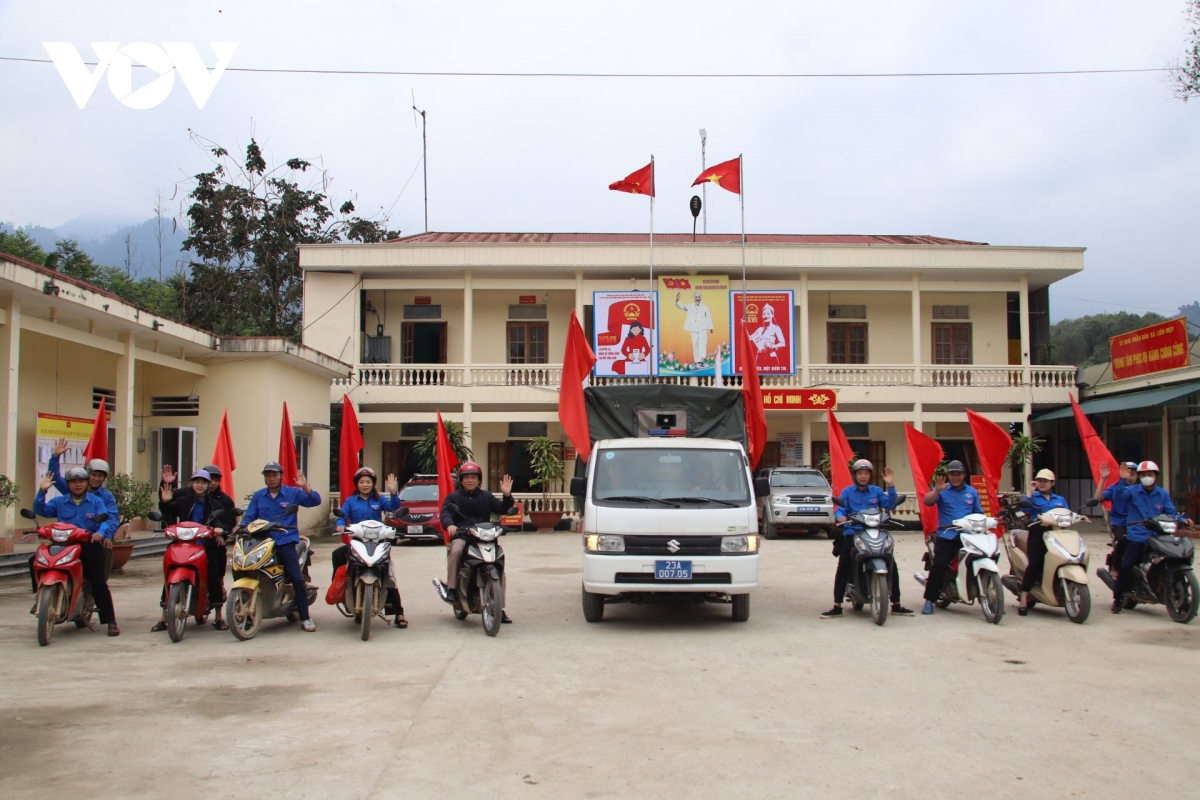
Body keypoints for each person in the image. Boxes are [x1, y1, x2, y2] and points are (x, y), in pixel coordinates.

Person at [32, 467, 121, 635]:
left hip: (87, 544)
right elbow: (41, 510)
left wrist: (100, 533)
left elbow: (105, 519)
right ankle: (41, 598)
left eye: (81, 481)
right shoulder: (59, 501)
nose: (78, 484)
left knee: (98, 581)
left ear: (87, 483)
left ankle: (110, 620)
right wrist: (42, 492)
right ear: (68, 484)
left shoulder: (96, 501)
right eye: (73, 481)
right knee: (35, 560)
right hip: (63, 544)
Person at [821, 460, 911, 618]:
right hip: (853, 532)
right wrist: (841, 517)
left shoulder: (876, 491)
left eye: (866, 473)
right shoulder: (847, 492)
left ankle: (896, 603)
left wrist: (890, 486)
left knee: (891, 562)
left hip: (874, 531)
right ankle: (837, 605)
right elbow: (840, 509)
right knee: (844, 564)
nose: (863, 476)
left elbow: (890, 505)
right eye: (860, 473)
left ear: (870, 475)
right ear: (855, 475)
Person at [241, 462, 324, 631]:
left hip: (285, 541)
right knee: (247, 570)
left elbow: (315, 501)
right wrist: (242, 529)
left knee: (296, 577)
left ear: (281, 476)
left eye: (274, 475)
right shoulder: (259, 496)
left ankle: (305, 617)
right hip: (263, 542)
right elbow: (249, 518)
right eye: (268, 475)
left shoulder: (292, 493)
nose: (271, 479)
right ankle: (248, 614)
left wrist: (305, 487)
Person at [433, 461, 516, 623]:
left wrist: (507, 495)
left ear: (479, 480)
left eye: (474, 477)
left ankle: (499, 608)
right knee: (456, 550)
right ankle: (451, 588)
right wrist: (450, 524)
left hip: (485, 537)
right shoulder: (453, 497)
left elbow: (504, 509)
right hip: (463, 535)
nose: (470, 480)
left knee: (499, 563)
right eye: (467, 478)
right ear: (461, 480)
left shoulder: (486, 496)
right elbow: (446, 513)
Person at [152, 469, 234, 632]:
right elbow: (168, 511)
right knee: (169, 573)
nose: (200, 485)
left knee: (213, 576)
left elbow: (221, 520)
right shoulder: (184, 500)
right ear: (192, 483)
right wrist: (165, 502)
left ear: (208, 484)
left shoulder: (215, 504)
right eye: (197, 482)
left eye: (203, 482)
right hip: (183, 544)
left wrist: (220, 529)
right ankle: (164, 616)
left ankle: (218, 616)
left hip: (205, 545)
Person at [1108, 461, 1193, 613]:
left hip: (1159, 536)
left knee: (1174, 557)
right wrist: (1121, 480)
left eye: (1150, 474)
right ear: (1139, 476)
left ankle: (1182, 598)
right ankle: (1118, 598)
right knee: (1126, 565)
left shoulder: (1162, 493)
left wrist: (1182, 520)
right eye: (1144, 475)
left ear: (1155, 476)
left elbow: (1170, 513)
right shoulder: (1131, 491)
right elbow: (1119, 498)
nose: (1147, 477)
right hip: (1138, 536)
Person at [333, 467, 408, 628]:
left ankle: (399, 612)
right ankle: (339, 589)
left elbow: (393, 508)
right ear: (356, 484)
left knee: (388, 574)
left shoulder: (379, 499)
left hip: (378, 542)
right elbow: (342, 516)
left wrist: (393, 493)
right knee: (337, 555)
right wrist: (340, 525)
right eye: (361, 482)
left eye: (368, 482)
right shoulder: (350, 501)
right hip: (358, 541)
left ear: (373, 483)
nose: (365, 485)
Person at [920, 460, 984, 615]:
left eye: (958, 474)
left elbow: (979, 513)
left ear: (964, 475)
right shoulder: (943, 490)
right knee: (939, 565)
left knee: (983, 556)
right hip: (947, 535)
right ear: (948, 475)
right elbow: (927, 501)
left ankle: (987, 597)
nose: (955, 477)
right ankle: (930, 599)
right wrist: (937, 490)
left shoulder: (972, 492)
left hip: (968, 535)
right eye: (952, 474)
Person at [1018, 468, 1070, 615]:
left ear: (1052, 483)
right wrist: (1029, 492)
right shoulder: (1033, 497)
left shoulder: (1059, 500)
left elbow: (1067, 513)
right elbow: (1022, 508)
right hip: (1037, 535)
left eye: (1045, 481)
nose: (1042, 483)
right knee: (1034, 564)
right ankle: (1024, 597)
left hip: (1057, 535)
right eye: (1039, 480)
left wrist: (1079, 517)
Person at [47, 439, 119, 526]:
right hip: (68, 535)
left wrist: (106, 536)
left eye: (100, 476)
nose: (97, 478)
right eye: (94, 475)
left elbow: (112, 518)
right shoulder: (73, 489)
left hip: (93, 536)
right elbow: (54, 477)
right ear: (87, 475)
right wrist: (55, 457)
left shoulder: (107, 497)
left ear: (104, 478)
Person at [1097, 461, 1138, 581]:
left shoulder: (1141, 490)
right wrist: (1103, 479)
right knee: (1123, 539)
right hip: (1120, 523)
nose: (1129, 477)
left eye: (1133, 474)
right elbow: (1099, 498)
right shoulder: (1115, 488)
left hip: (1139, 522)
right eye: (1127, 473)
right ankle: (1115, 566)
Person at [675, 290, 714, 365]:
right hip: (693, 327)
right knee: (695, 344)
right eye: (696, 297)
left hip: (703, 327)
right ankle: (697, 361)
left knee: (702, 344)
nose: (697, 298)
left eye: (699, 297)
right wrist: (677, 300)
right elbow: (681, 307)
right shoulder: (689, 306)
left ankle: (701, 360)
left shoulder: (705, 307)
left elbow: (708, 316)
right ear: (693, 298)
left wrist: (711, 327)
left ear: (701, 297)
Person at [748, 303, 786, 371]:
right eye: (764, 314)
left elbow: (783, 343)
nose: (766, 316)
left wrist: (772, 346)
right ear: (762, 316)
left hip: (771, 357)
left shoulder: (776, 328)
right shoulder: (759, 329)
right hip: (759, 357)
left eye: (768, 314)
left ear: (772, 315)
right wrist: (743, 326)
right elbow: (748, 338)